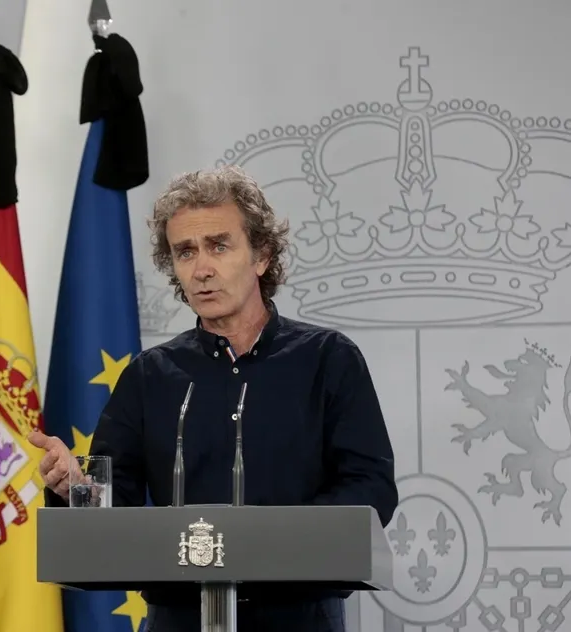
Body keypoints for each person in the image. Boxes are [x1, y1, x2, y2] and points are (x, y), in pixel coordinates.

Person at [28, 166, 397, 632]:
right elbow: (110, 506)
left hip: (297, 618)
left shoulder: (328, 359)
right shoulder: (151, 375)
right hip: (177, 619)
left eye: (218, 246)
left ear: (261, 255)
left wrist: (272, 544)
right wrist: (77, 488)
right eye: (185, 252)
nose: (201, 268)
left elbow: (370, 486)